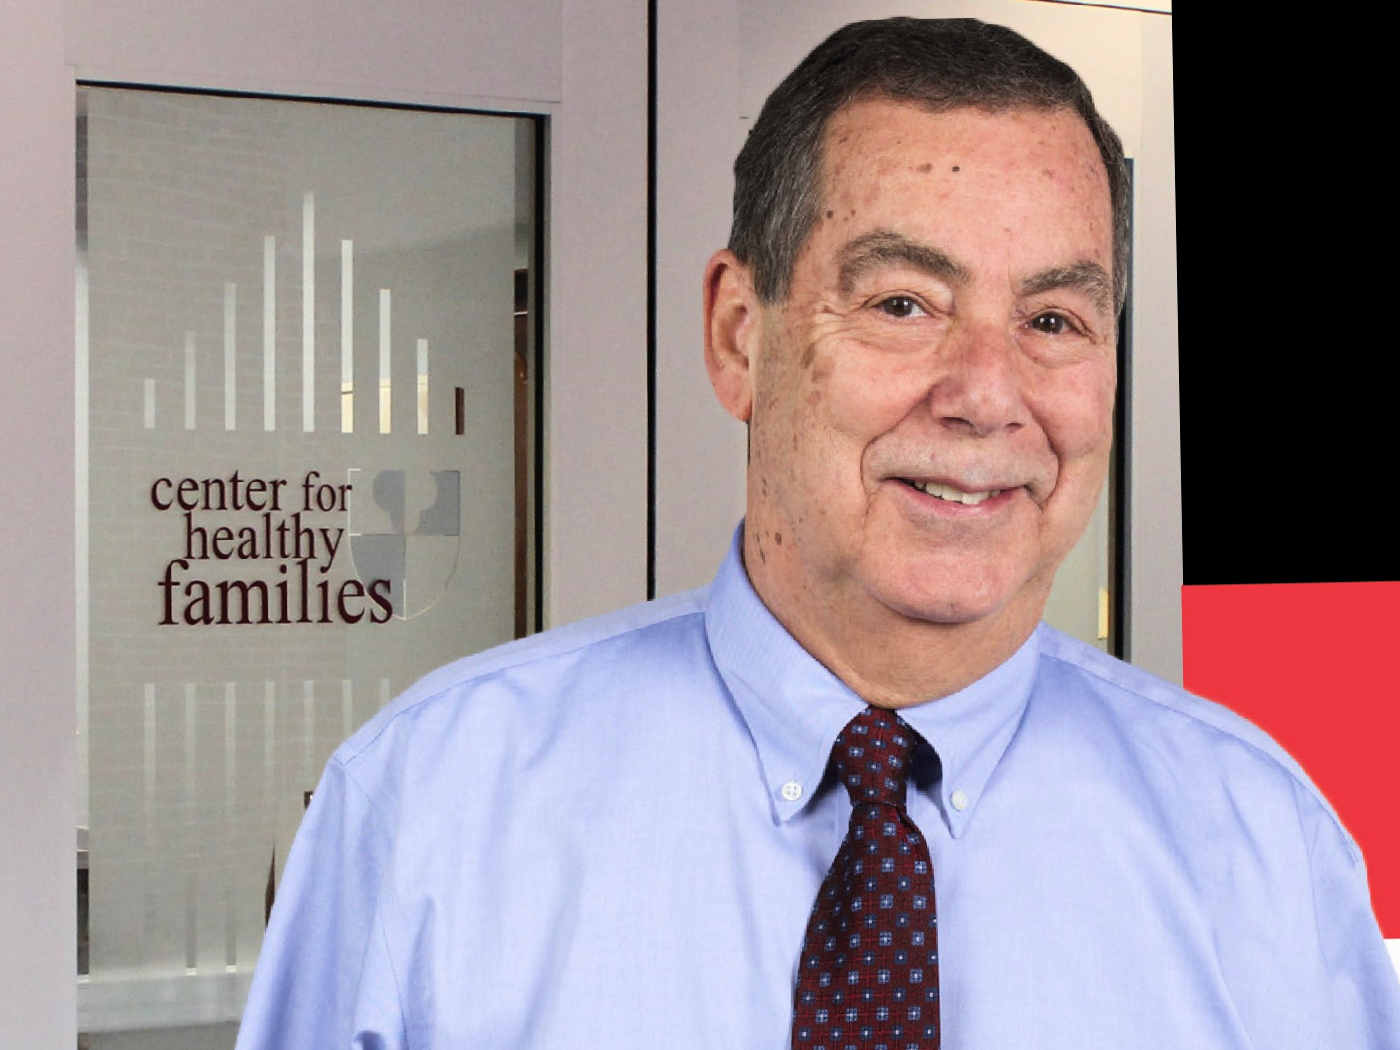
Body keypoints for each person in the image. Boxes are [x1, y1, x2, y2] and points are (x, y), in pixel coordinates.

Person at [236, 18, 1400, 1049]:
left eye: (1052, 318)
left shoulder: (1264, 846)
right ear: (741, 335)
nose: (986, 394)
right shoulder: (431, 809)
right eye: (904, 303)